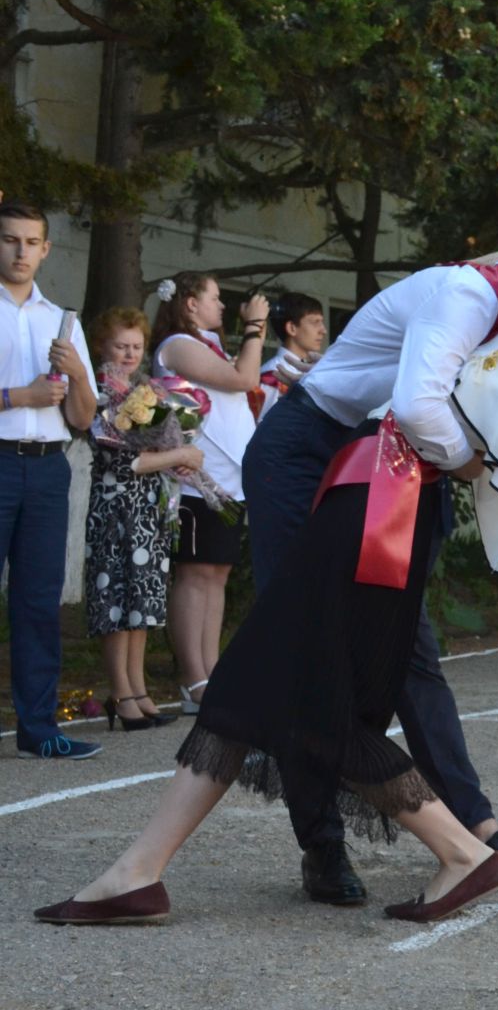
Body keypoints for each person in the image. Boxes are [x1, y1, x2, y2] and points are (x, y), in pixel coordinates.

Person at [34, 240, 498, 928]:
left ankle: (458, 851)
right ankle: (140, 872)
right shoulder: (491, 326)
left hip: (383, 526)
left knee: (294, 695)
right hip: (355, 496)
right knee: (261, 684)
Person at [241, 185, 498, 904]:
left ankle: (481, 835)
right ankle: (322, 844)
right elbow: (415, 406)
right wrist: (473, 460)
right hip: (308, 449)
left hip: (388, 464)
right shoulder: (467, 294)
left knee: (412, 653)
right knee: (302, 648)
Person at [1, 201, 100, 759]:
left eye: (29, 242)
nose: (20, 252)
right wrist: (23, 396)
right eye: (9, 240)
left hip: (46, 467)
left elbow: (83, 418)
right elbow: (35, 397)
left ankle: (40, 730)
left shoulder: (61, 320)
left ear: (45, 249)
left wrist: (80, 372)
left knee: (39, 602)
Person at [151, 273, 264, 717]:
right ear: (190, 303)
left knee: (216, 575)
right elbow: (245, 378)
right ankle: (192, 677)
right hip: (195, 479)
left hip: (227, 480)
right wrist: (254, 328)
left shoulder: (208, 342)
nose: (223, 306)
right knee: (195, 576)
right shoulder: (178, 343)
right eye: (214, 298)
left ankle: (212, 672)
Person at [85, 307, 196, 731]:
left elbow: (154, 449)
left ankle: (139, 687)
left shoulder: (144, 389)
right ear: (102, 346)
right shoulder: (99, 392)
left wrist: (176, 460)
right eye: (120, 346)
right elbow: (121, 459)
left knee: (143, 600)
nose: (129, 353)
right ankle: (120, 691)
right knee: (117, 599)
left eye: (136, 346)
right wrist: (176, 455)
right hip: (115, 507)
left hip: (145, 506)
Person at [253, 292, 328, 420]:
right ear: (292, 328)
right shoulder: (272, 377)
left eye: (321, 322)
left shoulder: (317, 369)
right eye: (315, 322)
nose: (323, 330)